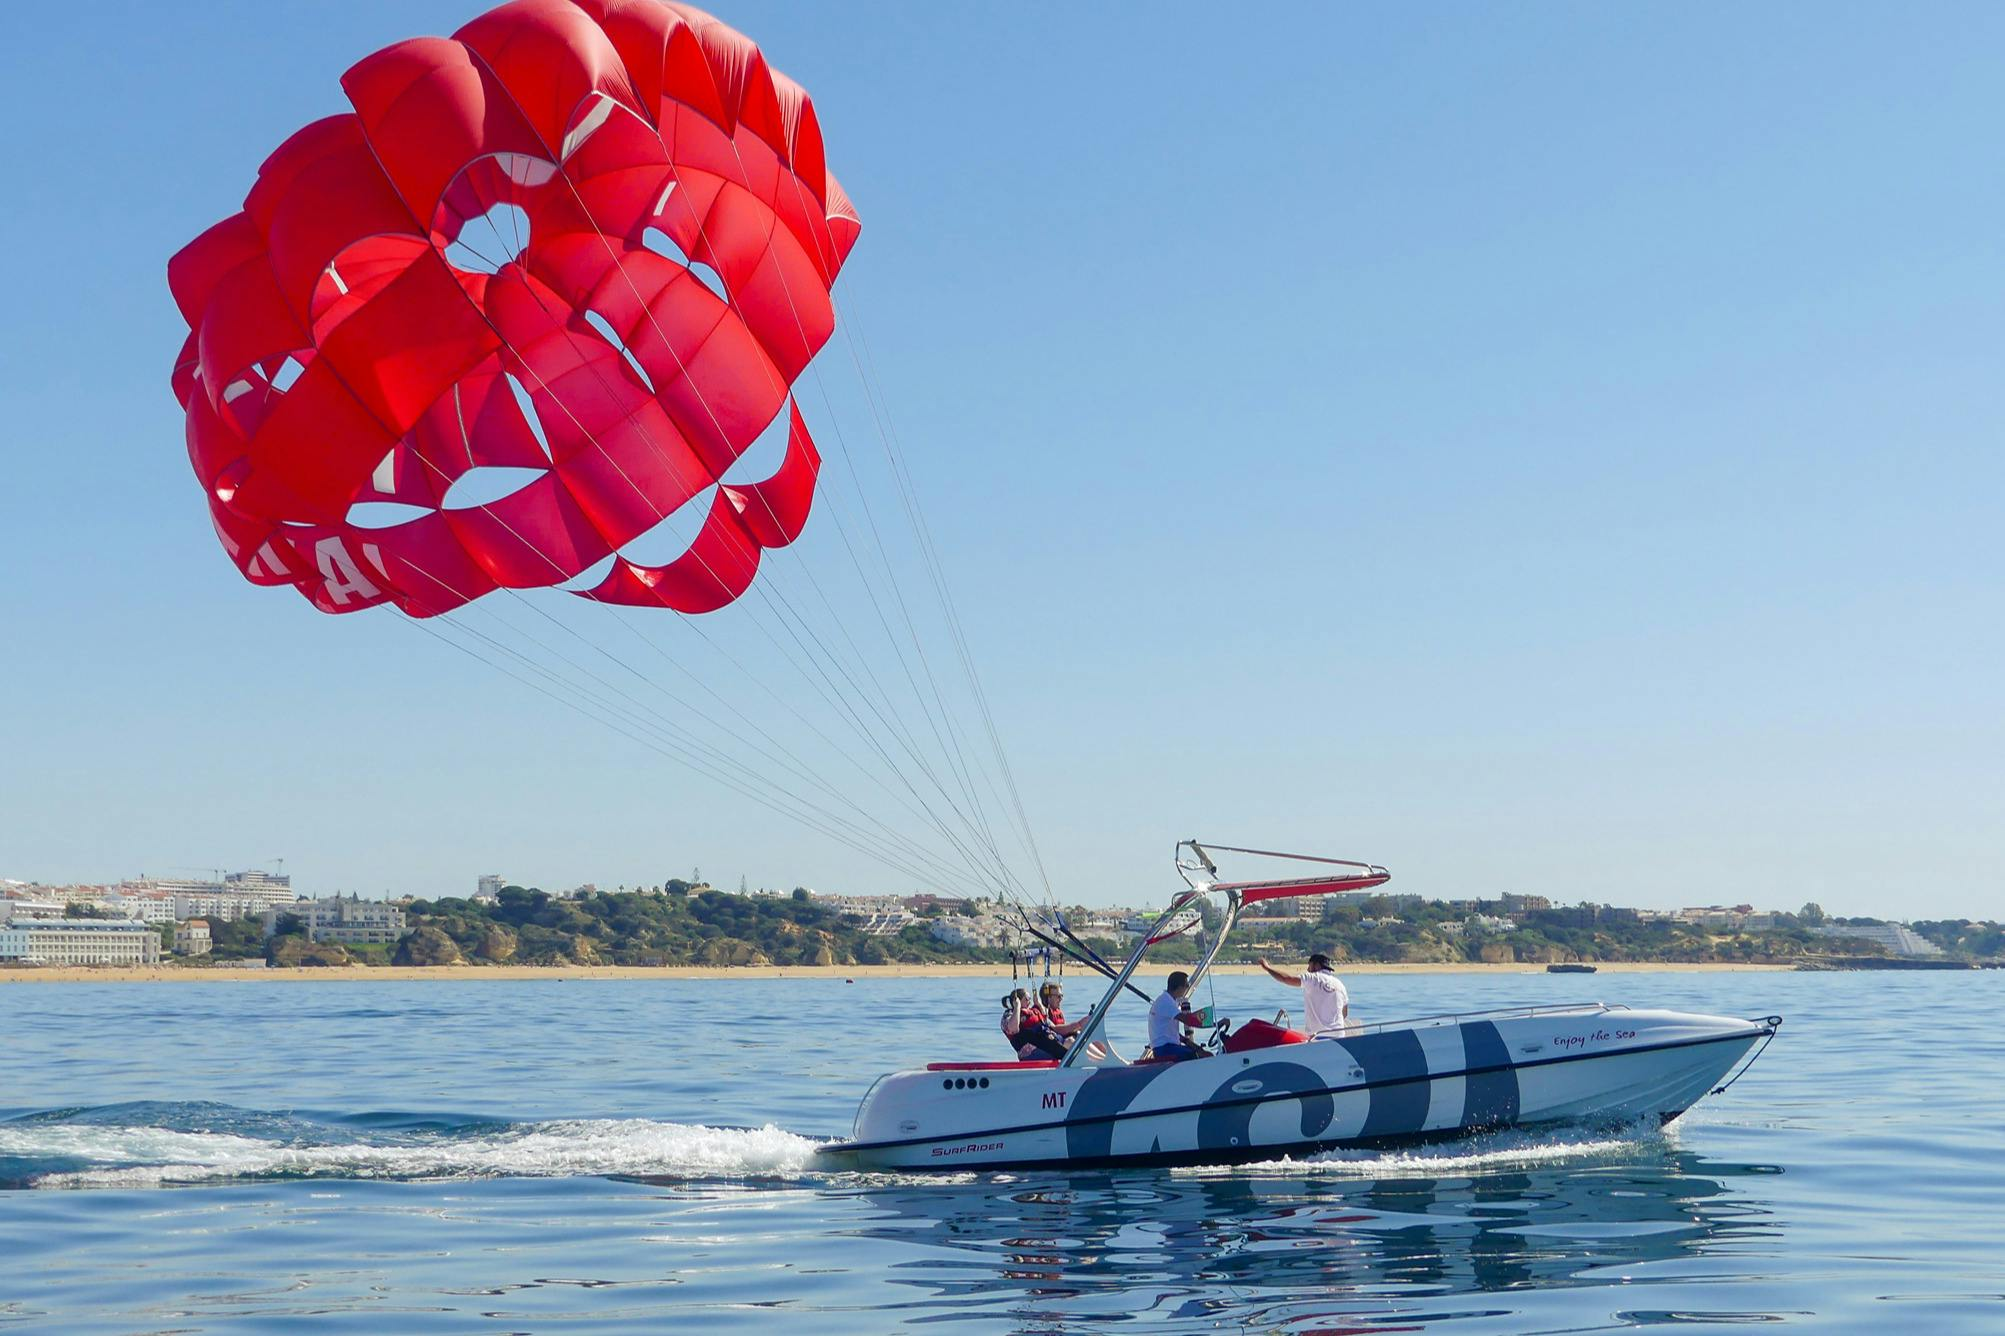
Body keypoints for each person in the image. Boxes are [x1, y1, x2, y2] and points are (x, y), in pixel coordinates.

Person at [1258, 952, 1351, 1038]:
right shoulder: (1340, 985)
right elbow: (1344, 1013)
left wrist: (1267, 968)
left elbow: (1286, 978)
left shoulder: (1312, 977)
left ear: (1316, 965)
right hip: (1339, 1038)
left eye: (1309, 966)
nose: (1307, 969)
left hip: (1318, 1038)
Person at [1146, 970, 1211, 1061]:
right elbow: (1188, 1020)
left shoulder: (1170, 1000)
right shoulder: (1166, 1002)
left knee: (1203, 1053)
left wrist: (1193, 1045)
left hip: (1168, 1046)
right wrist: (1214, 1021)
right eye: (1186, 985)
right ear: (1180, 987)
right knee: (1197, 1056)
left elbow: (1171, 1033)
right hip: (1164, 1049)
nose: (1187, 988)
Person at [1002, 987, 1067, 1061]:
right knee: (1067, 1046)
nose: (1029, 1002)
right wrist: (1017, 1007)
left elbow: (1048, 1023)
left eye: (1030, 999)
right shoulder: (1008, 1016)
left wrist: (1038, 1004)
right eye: (1027, 999)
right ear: (1017, 1001)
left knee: (1070, 1041)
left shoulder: (1032, 1012)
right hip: (1031, 1053)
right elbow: (1013, 1029)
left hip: (1046, 1044)